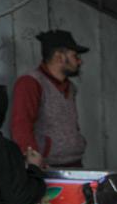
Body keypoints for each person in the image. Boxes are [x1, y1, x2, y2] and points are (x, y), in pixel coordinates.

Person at [10, 30, 89, 168]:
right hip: (48, 168)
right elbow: (21, 125)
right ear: (59, 57)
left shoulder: (70, 87)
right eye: (75, 56)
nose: (79, 61)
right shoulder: (30, 83)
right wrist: (33, 163)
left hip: (74, 163)